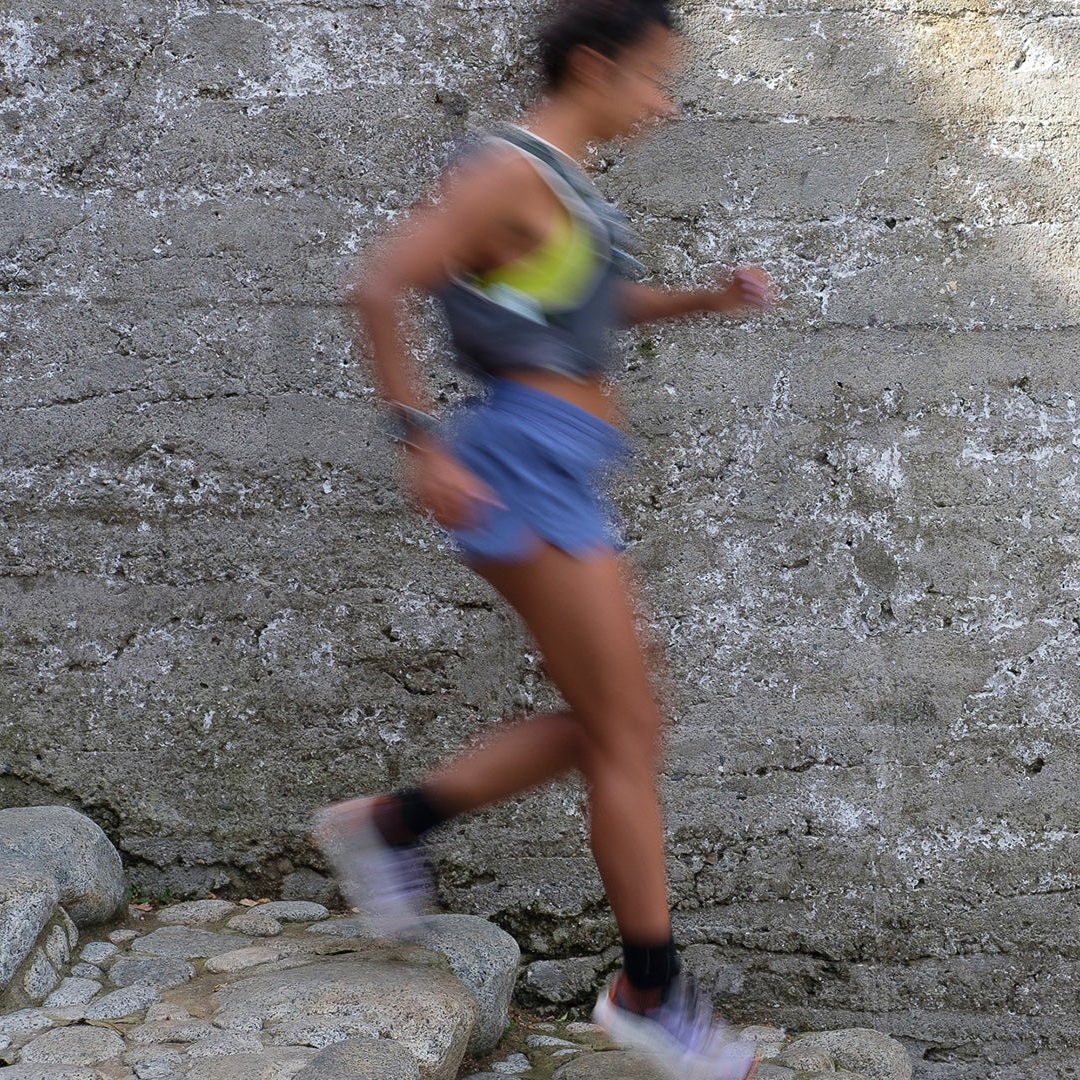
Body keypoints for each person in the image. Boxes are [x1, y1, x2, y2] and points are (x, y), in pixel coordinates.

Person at [312, 3, 770, 1077]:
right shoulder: (505, 172)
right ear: (595, 67)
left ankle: (390, 827)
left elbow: (587, 311)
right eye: (653, 79)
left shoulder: (565, 185)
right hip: (517, 461)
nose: (662, 105)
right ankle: (649, 991)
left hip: (558, 464)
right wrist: (420, 440)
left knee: (614, 725)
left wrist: (703, 300)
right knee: (625, 730)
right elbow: (378, 284)